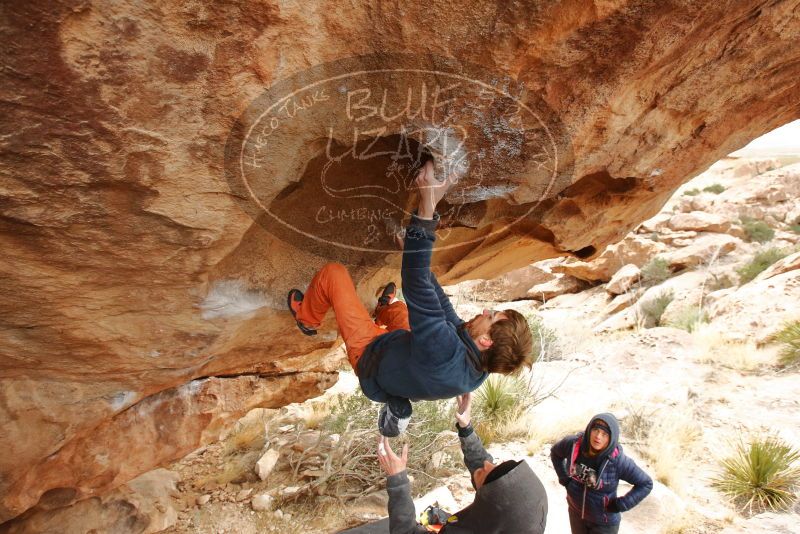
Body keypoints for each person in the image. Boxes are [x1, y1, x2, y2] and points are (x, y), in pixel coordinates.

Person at [288, 154, 533, 436]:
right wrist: (413, 253)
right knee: (403, 310)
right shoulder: (482, 365)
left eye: (492, 316)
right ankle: (381, 311)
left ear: (486, 340)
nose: (487, 311)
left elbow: (416, 283)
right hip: (406, 356)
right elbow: (441, 307)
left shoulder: (446, 351)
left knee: (333, 275)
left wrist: (427, 206)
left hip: (371, 357)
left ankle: (307, 318)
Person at [340, 393, 548, 533]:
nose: (486, 464)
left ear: (490, 510)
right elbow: (486, 471)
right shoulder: (512, 520)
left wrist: (398, 480)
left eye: (486, 476)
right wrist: (465, 427)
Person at [550, 413, 653, 534]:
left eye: (605, 434)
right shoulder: (573, 445)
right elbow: (555, 453)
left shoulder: (617, 460)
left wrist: (621, 505)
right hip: (576, 514)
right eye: (596, 430)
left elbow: (646, 483)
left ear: (611, 438)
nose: (598, 436)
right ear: (589, 429)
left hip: (603, 524)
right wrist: (564, 479)